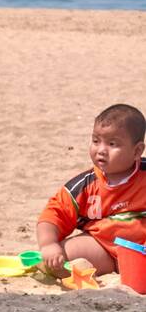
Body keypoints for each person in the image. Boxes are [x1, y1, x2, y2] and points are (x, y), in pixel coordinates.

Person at [37, 103, 146, 277]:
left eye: (112, 144)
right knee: (60, 260)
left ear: (137, 151)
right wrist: (49, 244)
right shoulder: (85, 184)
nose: (101, 150)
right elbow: (53, 214)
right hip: (103, 248)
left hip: (141, 249)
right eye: (96, 141)